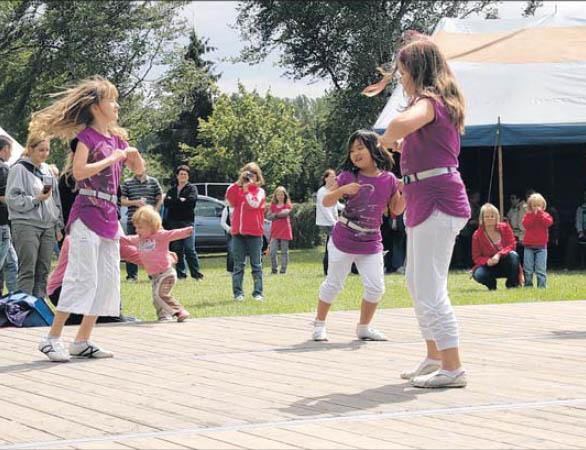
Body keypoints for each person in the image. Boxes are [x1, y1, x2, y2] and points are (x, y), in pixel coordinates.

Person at [376, 32, 471, 388]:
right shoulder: (438, 104)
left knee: (430, 287)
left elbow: (398, 124)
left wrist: (387, 140)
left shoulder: (430, 101)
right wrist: (404, 148)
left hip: (437, 200)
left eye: (403, 73)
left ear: (417, 71)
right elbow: (424, 144)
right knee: (418, 283)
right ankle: (435, 356)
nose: (401, 79)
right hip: (426, 199)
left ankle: (453, 367)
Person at [28, 75, 144, 362]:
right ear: (95, 107)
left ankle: (82, 340)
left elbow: (139, 170)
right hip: (87, 213)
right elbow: (79, 172)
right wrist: (113, 158)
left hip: (109, 216)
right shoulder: (86, 138)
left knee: (106, 280)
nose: (116, 105)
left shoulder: (116, 139)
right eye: (111, 100)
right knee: (82, 277)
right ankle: (51, 338)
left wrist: (133, 156)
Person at [312, 129, 404, 343]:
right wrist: (342, 190)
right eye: (352, 150)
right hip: (343, 238)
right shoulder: (347, 175)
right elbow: (326, 201)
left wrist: (406, 189)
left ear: (374, 149)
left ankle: (364, 328)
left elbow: (396, 209)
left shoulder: (389, 179)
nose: (355, 154)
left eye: (360, 148)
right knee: (333, 284)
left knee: (376, 287)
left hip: (371, 241)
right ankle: (319, 325)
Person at [6, 135, 63, 297]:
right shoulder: (18, 169)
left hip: (48, 226)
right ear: (30, 149)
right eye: (41, 150)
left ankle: (39, 305)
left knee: (43, 271)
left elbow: (56, 200)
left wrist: (58, 225)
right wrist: (36, 199)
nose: (45, 154)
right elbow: (12, 199)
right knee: (27, 270)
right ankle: (24, 307)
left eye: (47, 150)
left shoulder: (48, 170)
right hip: (26, 225)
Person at [121, 206, 191, 321]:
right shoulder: (138, 239)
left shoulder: (160, 235)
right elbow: (125, 239)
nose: (137, 230)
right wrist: (111, 236)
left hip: (166, 274)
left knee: (160, 295)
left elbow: (173, 233)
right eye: (136, 227)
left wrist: (187, 231)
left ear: (153, 226)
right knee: (156, 298)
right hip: (155, 277)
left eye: (140, 227)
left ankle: (179, 311)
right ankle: (164, 316)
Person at [225, 162, 266, 301]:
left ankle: (258, 292)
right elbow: (230, 199)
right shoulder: (237, 189)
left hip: (254, 233)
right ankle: (238, 293)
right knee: (238, 265)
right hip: (238, 233)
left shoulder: (259, 191)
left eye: (253, 174)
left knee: (256, 265)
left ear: (257, 176)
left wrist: (247, 190)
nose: (250, 176)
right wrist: (239, 183)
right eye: (247, 173)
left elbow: (254, 204)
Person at [120, 166, 162, 281]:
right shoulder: (128, 183)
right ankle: (132, 276)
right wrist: (135, 202)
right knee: (131, 248)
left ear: (145, 168)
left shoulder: (153, 182)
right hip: (133, 221)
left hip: (150, 223)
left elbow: (159, 198)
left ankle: (153, 273)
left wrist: (155, 212)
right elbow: (121, 201)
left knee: (152, 248)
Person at [163, 165, 203, 280]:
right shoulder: (172, 190)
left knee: (189, 248)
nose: (183, 176)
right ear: (177, 176)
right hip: (173, 222)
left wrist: (175, 202)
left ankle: (196, 274)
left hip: (187, 222)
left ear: (188, 176)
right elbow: (166, 203)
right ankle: (181, 274)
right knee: (177, 248)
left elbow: (191, 202)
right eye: (181, 174)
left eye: (185, 174)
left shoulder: (192, 189)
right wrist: (180, 201)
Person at [471, 203, 520, 290]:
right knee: (478, 274)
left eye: (492, 216)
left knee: (514, 255)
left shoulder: (505, 227)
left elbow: (512, 245)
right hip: (488, 266)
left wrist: (499, 254)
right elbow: (476, 257)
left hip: (505, 263)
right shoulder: (477, 235)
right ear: (482, 218)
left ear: (497, 217)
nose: (490, 218)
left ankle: (512, 285)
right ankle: (492, 285)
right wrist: (487, 261)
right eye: (487, 216)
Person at [315, 169, 344, 276]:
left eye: (334, 177)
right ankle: (329, 269)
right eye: (331, 177)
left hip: (332, 222)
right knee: (333, 246)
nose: (334, 179)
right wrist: (334, 222)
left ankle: (330, 269)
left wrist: (347, 208)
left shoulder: (331, 191)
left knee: (331, 245)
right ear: (325, 178)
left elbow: (337, 205)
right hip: (326, 223)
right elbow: (325, 209)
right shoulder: (322, 192)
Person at [522, 192, 553, 288]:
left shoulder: (545, 215)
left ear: (543, 206)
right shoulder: (528, 215)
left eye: (539, 205)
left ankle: (542, 285)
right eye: (534, 205)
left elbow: (548, 223)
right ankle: (528, 285)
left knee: (541, 268)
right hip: (529, 246)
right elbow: (526, 225)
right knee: (528, 268)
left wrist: (540, 215)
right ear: (530, 206)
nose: (537, 208)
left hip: (541, 247)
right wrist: (534, 216)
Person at [0, 136, 18, 294]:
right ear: (5, 149)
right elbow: (3, 196)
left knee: (12, 263)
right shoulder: (3, 168)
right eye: (10, 150)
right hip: (2, 225)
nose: (11, 154)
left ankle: (15, 299)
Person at [267, 186, 293, 274]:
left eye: (281, 194)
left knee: (284, 252)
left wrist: (275, 215)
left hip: (285, 230)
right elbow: (269, 216)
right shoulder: (272, 205)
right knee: (272, 251)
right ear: (275, 196)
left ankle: (283, 270)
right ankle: (274, 269)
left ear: (285, 195)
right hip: (275, 231)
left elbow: (285, 214)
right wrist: (278, 215)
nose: (280, 196)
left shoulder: (287, 205)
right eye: (278, 194)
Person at [564, 189, 586, 268]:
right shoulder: (581, 208)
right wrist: (580, 232)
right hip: (582, 232)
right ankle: (570, 266)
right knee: (572, 241)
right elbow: (578, 221)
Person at [506, 193, 527, 264]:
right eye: (510, 198)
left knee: (522, 254)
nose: (511, 200)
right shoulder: (513, 208)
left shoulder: (525, 207)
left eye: (513, 198)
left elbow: (523, 224)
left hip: (523, 234)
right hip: (515, 234)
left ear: (518, 199)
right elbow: (508, 217)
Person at [220, 204, 235, 273]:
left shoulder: (241, 207)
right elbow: (222, 222)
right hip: (231, 233)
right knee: (231, 251)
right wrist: (229, 229)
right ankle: (230, 270)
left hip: (240, 232)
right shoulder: (227, 209)